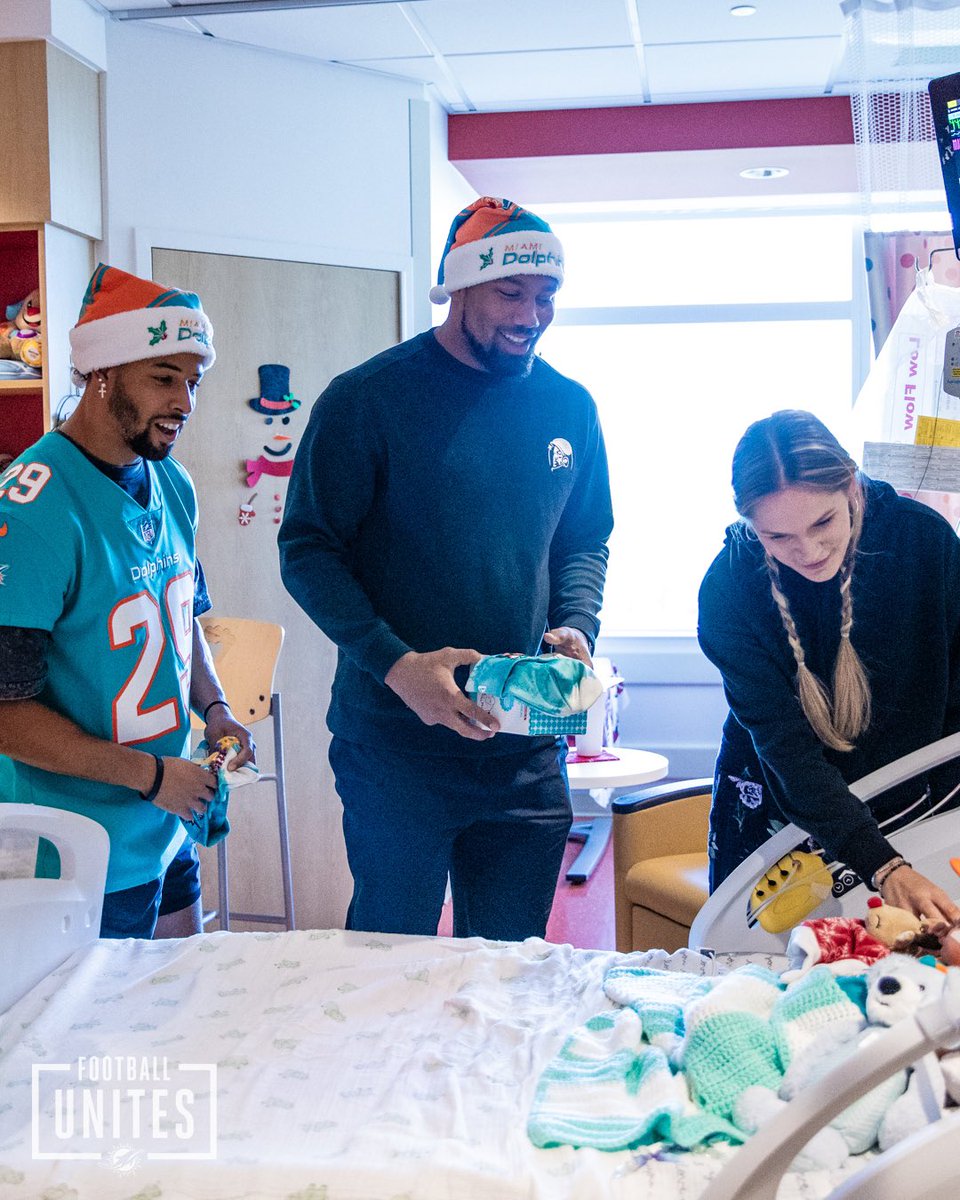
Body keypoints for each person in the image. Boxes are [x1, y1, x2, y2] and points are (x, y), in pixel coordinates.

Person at [279, 196, 613, 940]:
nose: (533, 314)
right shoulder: (368, 399)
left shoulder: (568, 406)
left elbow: (584, 537)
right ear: (457, 287)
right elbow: (306, 549)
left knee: (511, 965)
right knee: (388, 959)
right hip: (396, 746)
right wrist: (396, 666)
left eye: (546, 296)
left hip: (525, 742)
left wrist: (575, 621)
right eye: (511, 293)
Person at [0, 264, 255, 939]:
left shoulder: (172, 482)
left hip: (163, 820)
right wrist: (149, 777)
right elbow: (6, 716)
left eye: (193, 381)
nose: (186, 402)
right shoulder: (33, 505)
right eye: (165, 377)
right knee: (102, 1046)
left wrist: (216, 707)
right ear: (103, 372)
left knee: (176, 1018)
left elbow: (181, 620)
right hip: (75, 844)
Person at [698, 408, 960, 931]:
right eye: (778, 537)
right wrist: (883, 865)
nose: (809, 551)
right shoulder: (729, 591)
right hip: (787, 800)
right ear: (751, 524)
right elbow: (785, 750)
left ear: (852, 489)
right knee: (771, 970)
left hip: (922, 785)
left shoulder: (923, 544)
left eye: (823, 522)